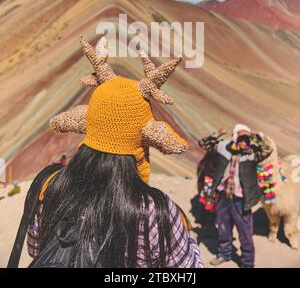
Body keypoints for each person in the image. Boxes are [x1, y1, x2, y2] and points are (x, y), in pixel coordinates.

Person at [26, 36, 203, 268]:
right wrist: (190, 243)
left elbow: (35, 248)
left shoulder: (50, 187)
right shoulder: (153, 210)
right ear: (146, 137)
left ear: (86, 121)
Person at [200, 124, 272, 268]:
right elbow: (203, 144)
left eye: (247, 137)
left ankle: (247, 262)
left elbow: (267, 150)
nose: (244, 141)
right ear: (234, 136)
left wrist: (257, 138)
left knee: (245, 233)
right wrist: (216, 134)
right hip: (223, 196)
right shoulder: (223, 147)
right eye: (241, 136)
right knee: (223, 228)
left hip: (242, 200)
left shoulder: (252, 152)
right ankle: (224, 254)